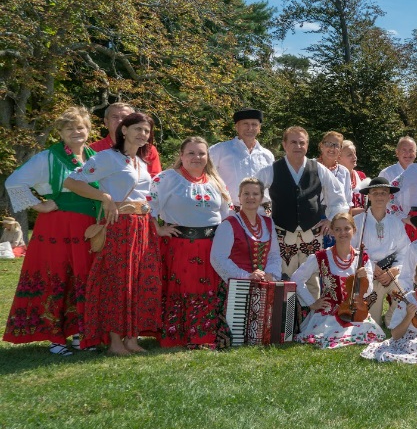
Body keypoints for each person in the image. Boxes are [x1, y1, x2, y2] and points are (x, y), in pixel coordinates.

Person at [3, 107, 100, 355]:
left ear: (88, 130)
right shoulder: (48, 157)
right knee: (55, 275)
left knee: (82, 276)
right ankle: (55, 337)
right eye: (69, 128)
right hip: (57, 226)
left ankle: (80, 333)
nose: (76, 132)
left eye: (80, 127)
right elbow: (14, 181)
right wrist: (39, 205)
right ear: (60, 132)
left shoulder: (94, 158)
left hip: (87, 226)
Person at [64, 112, 160, 355]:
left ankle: (131, 339)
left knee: (136, 281)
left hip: (142, 225)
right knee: (118, 282)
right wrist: (104, 197)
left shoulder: (141, 161)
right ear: (124, 130)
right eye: (137, 128)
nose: (142, 134)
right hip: (119, 225)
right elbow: (73, 182)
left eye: (146, 131)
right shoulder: (107, 157)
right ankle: (115, 342)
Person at [150, 137, 231, 349]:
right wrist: (158, 228)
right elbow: (148, 206)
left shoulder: (216, 181)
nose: (197, 157)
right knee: (185, 289)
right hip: (180, 246)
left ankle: (205, 336)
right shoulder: (167, 178)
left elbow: (227, 214)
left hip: (211, 247)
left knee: (208, 292)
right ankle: (180, 336)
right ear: (181, 156)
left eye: (201, 153)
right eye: (191, 153)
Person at [255, 127, 348, 293]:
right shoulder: (271, 170)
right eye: (293, 142)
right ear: (284, 144)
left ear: (307, 145)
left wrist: (330, 219)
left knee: (312, 281)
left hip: (312, 235)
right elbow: (253, 195)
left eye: (302, 142)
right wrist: (264, 216)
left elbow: (339, 198)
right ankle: (286, 318)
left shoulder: (319, 169)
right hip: (283, 236)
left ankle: (311, 318)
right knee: (284, 281)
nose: (298, 146)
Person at [291, 212, 386, 349]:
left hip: (354, 310)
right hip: (329, 310)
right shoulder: (322, 256)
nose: (343, 233)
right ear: (332, 231)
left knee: (371, 333)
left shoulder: (362, 258)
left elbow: (367, 292)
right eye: (338, 229)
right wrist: (312, 303)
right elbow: (297, 279)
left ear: (354, 230)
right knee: (327, 333)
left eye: (347, 228)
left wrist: (364, 278)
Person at [209, 178, 283, 348]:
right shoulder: (229, 224)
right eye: (246, 194)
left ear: (262, 197)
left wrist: (271, 274)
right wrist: (246, 276)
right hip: (236, 286)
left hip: (263, 285)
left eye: (255, 194)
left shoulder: (268, 222)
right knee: (237, 335)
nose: (251, 197)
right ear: (239, 197)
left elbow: (273, 255)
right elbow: (217, 258)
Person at [351, 177, 411, 328]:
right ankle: (377, 318)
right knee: (372, 324)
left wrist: (393, 271)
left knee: (407, 293)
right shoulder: (358, 221)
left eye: (383, 193)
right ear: (369, 196)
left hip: (391, 275)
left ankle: (391, 319)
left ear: (389, 196)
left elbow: (405, 251)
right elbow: (351, 251)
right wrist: (370, 266)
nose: (379, 196)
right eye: (375, 192)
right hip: (368, 276)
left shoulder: (396, 222)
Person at [207, 108, 274, 208]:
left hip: (261, 213)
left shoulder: (267, 155)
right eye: (245, 124)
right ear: (237, 126)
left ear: (259, 128)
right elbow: (205, 178)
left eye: (254, 124)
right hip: (230, 213)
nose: (250, 128)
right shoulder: (219, 150)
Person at [90, 102, 162, 174]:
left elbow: (155, 180)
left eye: (124, 117)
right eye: (115, 117)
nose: (120, 121)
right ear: (106, 122)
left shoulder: (148, 150)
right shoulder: (94, 149)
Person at [317, 131, 355, 222]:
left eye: (336, 145)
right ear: (321, 146)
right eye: (328, 144)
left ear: (340, 150)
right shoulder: (311, 167)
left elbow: (348, 202)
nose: (332, 148)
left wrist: (348, 224)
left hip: (336, 221)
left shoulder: (343, 172)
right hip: (312, 220)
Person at [379, 136, 416, 219]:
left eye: (411, 150)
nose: (408, 154)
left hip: (416, 223)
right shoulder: (386, 173)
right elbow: (381, 200)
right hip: (392, 222)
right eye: (404, 150)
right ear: (397, 152)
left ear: (416, 153)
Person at [339, 140, 367, 211]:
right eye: (350, 155)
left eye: (355, 153)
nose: (354, 157)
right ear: (339, 158)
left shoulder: (361, 175)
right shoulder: (334, 177)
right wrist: (354, 212)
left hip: (362, 220)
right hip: (341, 220)